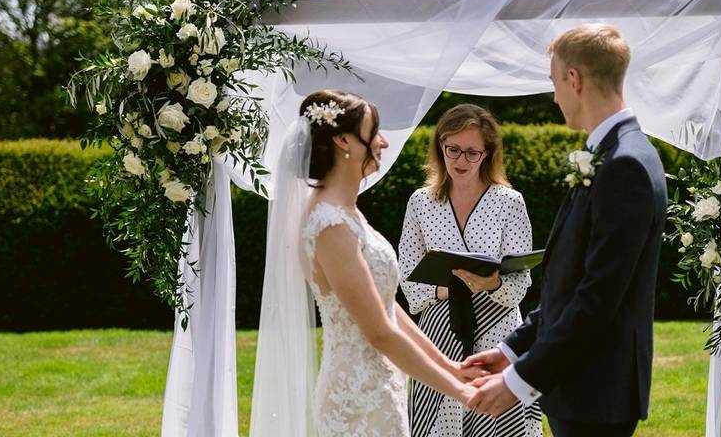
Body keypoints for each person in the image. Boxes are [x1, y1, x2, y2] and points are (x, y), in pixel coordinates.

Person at [464, 25, 668, 437]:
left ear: (573, 79)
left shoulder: (623, 165)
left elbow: (597, 299)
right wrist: (511, 350)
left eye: (554, 81)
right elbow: (570, 281)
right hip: (581, 387)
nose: (555, 96)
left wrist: (518, 381)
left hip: (595, 390)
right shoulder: (615, 153)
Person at [249, 90, 482, 437]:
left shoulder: (347, 213)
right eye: (374, 133)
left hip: (379, 388)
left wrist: (449, 366)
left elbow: (387, 308)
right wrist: (458, 391)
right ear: (344, 140)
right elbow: (379, 332)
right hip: (355, 400)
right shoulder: (329, 225)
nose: (383, 143)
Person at [399, 104, 542, 437]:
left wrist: (493, 283)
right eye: (452, 149)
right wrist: (446, 290)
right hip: (439, 334)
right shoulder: (420, 202)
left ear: (487, 153)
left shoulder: (510, 202)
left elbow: (521, 280)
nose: (460, 161)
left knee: (500, 424)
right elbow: (406, 273)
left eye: (471, 153)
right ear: (440, 147)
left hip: (500, 335)